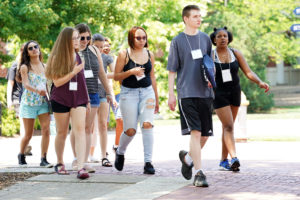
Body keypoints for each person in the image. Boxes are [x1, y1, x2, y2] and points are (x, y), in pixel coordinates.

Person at [209, 27, 270, 172]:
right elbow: (206, 74)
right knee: (229, 126)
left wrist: (259, 82)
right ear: (214, 40)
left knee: (227, 127)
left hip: (234, 92)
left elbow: (248, 72)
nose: (223, 38)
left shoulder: (236, 53)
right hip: (219, 94)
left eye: (225, 36)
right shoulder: (210, 55)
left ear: (229, 38)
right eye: (219, 36)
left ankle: (224, 161)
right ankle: (234, 157)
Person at [167, 5, 214, 187]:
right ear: (186, 19)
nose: (198, 19)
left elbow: (209, 65)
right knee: (195, 132)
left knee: (205, 135)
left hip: (205, 93)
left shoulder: (205, 39)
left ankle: (187, 157)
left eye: (199, 16)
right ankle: (199, 173)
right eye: (195, 16)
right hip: (186, 93)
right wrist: (171, 94)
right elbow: (172, 70)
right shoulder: (177, 41)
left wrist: (212, 79)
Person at [114, 26, 159, 174]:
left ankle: (148, 162)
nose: (142, 41)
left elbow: (152, 77)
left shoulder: (149, 54)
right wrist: (131, 72)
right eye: (138, 38)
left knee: (147, 124)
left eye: (144, 38)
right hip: (129, 93)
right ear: (131, 38)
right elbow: (116, 77)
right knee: (131, 130)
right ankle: (120, 151)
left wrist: (156, 98)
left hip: (147, 93)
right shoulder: (124, 54)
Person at [45, 27, 89, 179]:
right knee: (62, 132)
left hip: (79, 98)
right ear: (66, 40)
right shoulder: (57, 57)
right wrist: (74, 72)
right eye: (75, 38)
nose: (78, 41)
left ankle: (81, 167)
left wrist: (86, 99)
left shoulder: (79, 56)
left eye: (78, 38)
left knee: (79, 130)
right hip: (61, 99)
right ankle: (60, 162)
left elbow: (82, 81)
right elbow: (57, 83)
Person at [70, 24, 113, 171]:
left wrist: (108, 92)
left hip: (94, 92)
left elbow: (101, 72)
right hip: (76, 93)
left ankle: (85, 158)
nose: (85, 40)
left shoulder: (94, 50)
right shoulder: (72, 51)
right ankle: (77, 158)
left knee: (88, 128)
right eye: (82, 38)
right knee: (77, 127)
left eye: (88, 38)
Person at [16, 40, 52, 168]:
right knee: (28, 134)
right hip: (29, 103)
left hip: (43, 103)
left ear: (39, 48)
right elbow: (25, 84)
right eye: (30, 48)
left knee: (46, 130)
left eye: (36, 46)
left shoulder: (45, 66)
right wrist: (38, 91)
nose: (34, 49)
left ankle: (44, 158)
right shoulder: (25, 67)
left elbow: (49, 84)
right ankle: (21, 153)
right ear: (27, 52)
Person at [89, 33, 120, 165]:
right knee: (90, 126)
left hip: (103, 94)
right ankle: (88, 154)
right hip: (89, 94)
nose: (100, 49)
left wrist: (105, 76)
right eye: (97, 46)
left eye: (102, 47)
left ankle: (103, 156)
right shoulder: (86, 57)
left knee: (102, 124)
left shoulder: (107, 58)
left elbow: (115, 74)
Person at [6, 44, 32, 156]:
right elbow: (10, 84)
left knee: (27, 123)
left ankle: (26, 145)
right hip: (18, 98)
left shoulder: (29, 66)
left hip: (28, 98)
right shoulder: (14, 66)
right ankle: (25, 147)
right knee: (23, 122)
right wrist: (9, 101)